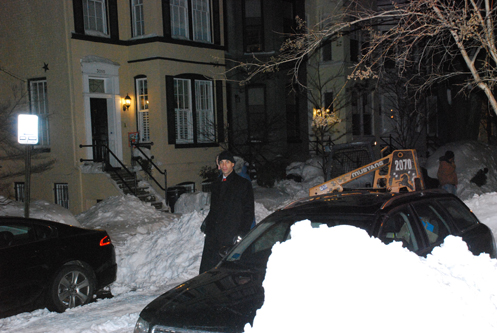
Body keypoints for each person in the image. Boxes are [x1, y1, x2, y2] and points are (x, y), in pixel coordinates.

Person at [199, 150, 255, 274]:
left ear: (233, 164)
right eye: (222, 162)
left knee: (229, 271)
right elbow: (215, 209)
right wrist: (207, 224)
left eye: (227, 162)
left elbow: (248, 211)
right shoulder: (216, 184)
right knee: (210, 271)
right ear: (219, 165)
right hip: (214, 236)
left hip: (231, 235)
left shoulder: (243, 184)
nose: (224, 165)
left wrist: (242, 233)